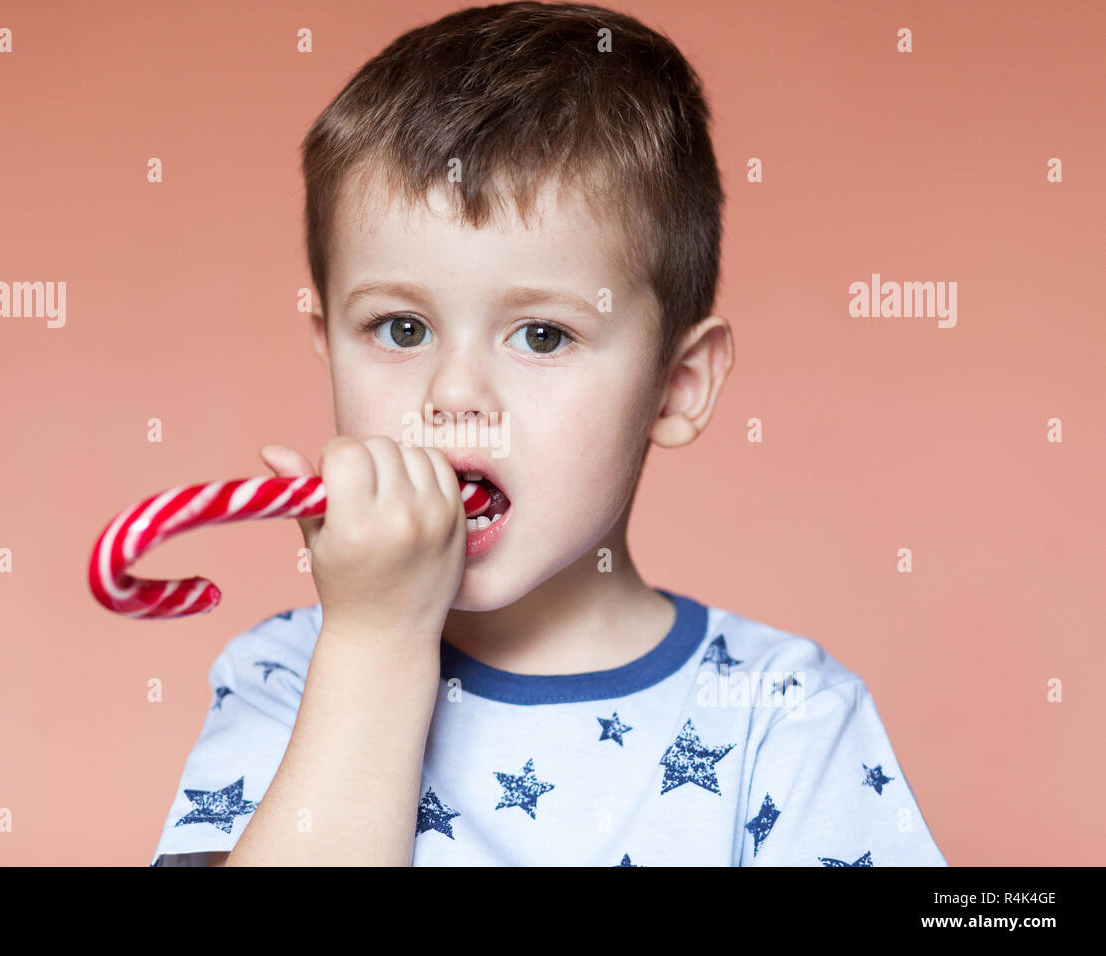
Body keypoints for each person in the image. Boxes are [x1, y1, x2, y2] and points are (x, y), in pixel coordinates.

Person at [150, 1, 947, 867]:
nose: (454, 394)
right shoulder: (290, 678)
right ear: (326, 351)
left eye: (542, 335)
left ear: (676, 387)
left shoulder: (784, 717)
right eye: (401, 329)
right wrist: (375, 646)